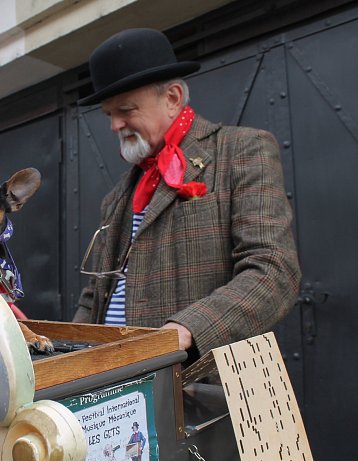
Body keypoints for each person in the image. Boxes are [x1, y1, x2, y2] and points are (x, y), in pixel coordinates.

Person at [73, 28, 301, 361]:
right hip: (117, 387)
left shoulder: (241, 150)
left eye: (126, 110)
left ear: (173, 98)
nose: (115, 126)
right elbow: (95, 296)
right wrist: (70, 353)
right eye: (110, 114)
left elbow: (274, 271)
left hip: (206, 382)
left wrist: (185, 332)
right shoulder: (117, 196)